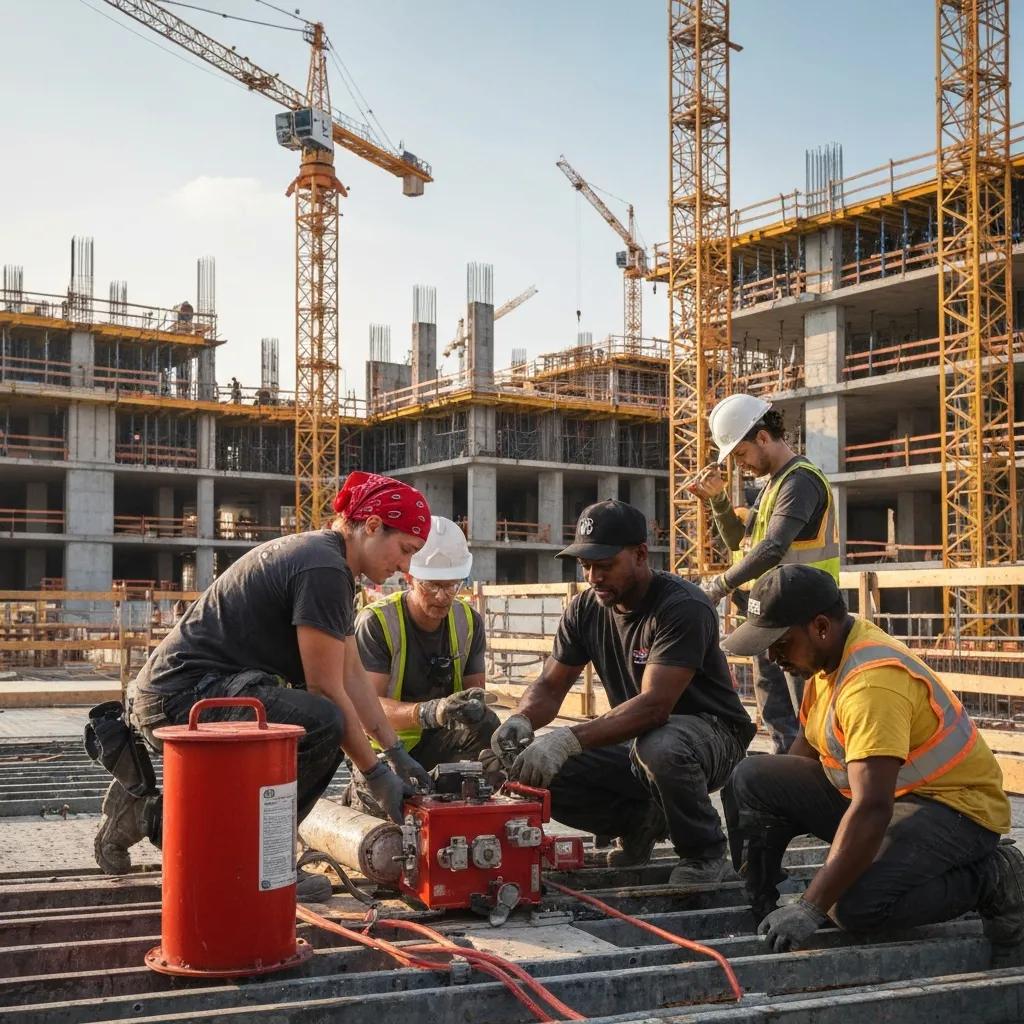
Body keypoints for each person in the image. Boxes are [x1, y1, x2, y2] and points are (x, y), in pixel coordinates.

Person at [92, 472, 434, 903]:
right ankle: (254, 863)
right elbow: (327, 692)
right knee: (322, 724)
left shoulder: (332, 568)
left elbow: (352, 678)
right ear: (370, 526)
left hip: (185, 693)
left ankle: (147, 813)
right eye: (405, 549)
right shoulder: (323, 568)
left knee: (318, 721)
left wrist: (394, 753)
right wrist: (375, 774)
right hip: (183, 699)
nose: (405, 567)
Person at [722, 564, 1023, 966]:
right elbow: (803, 755)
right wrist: (775, 816)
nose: (773, 657)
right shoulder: (829, 657)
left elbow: (871, 808)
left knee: (853, 907)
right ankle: (764, 899)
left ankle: (993, 877)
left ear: (821, 627)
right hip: (892, 801)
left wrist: (813, 905)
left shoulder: (871, 684)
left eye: (780, 643)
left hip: (956, 812)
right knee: (751, 777)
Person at [491, 500, 756, 886]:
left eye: (604, 565)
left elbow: (654, 707)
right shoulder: (585, 609)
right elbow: (550, 685)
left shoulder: (682, 607)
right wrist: (521, 719)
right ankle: (639, 822)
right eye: (586, 566)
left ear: (640, 555)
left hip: (711, 738)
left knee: (660, 746)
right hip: (639, 739)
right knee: (523, 767)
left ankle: (704, 853)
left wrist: (567, 739)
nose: (593, 576)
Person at [688, 394, 839, 753]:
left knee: (809, 717)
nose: (739, 465)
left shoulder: (800, 481)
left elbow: (771, 548)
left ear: (762, 437)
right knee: (776, 712)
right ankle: (784, 778)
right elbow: (744, 545)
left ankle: (815, 783)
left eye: (740, 454)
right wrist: (719, 502)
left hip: (803, 618)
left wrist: (718, 585)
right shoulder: (772, 485)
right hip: (768, 616)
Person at [349, 516, 498, 816]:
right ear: (409, 577)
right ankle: (364, 793)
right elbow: (366, 707)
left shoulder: (468, 621)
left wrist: (473, 707)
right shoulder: (377, 622)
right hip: (386, 749)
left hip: (440, 743)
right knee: (390, 825)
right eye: (432, 586)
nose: (443, 597)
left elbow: (475, 692)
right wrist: (431, 711)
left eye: (451, 586)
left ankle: (455, 803)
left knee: (488, 725)